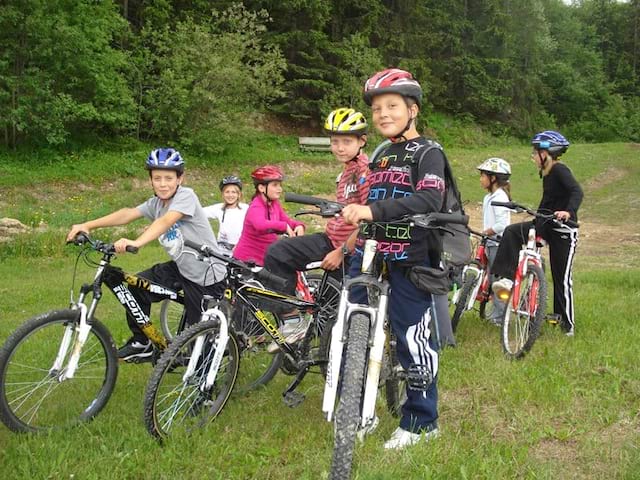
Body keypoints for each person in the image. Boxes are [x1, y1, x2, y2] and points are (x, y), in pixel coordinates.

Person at [341, 68, 449, 450]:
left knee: (412, 338)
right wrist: (356, 226)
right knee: (356, 327)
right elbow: (370, 200)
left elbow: (430, 200)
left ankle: (422, 421)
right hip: (371, 252)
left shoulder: (429, 152)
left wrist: (372, 213)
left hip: (411, 256)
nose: (383, 114)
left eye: (392, 106)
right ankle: (360, 408)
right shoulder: (381, 152)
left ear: (413, 109)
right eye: (376, 108)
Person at [66, 148, 226, 362]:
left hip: (206, 274)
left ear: (180, 179)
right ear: (150, 180)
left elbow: (166, 221)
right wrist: (88, 225)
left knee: (200, 341)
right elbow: (128, 213)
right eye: (157, 178)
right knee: (136, 287)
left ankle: (206, 387)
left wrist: (137, 242)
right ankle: (142, 343)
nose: (163, 183)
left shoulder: (186, 196)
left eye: (169, 178)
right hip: (181, 268)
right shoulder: (156, 203)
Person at [263, 108, 370, 345]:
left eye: (346, 141)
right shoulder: (346, 172)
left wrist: (341, 252)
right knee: (278, 253)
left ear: (362, 141)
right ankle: (291, 319)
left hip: (350, 251)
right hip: (330, 240)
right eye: (335, 141)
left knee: (333, 317)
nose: (339, 147)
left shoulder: (366, 172)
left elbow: (368, 222)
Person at [492, 130, 582, 336]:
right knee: (513, 232)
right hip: (546, 225)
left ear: (547, 153)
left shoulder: (560, 170)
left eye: (535, 153)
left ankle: (566, 325)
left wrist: (568, 212)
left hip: (563, 231)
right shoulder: (548, 174)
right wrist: (535, 218)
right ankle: (506, 278)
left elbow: (577, 192)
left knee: (562, 278)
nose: (533, 157)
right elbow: (548, 202)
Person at [233, 165, 305, 266]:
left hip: (266, 258)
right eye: (275, 185)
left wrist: (298, 225)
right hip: (248, 262)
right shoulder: (256, 206)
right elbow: (260, 224)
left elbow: (285, 220)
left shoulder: (274, 203)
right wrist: (284, 226)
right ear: (262, 188)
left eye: (280, 185)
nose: (280, 189)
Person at [476, 157, 512, 325]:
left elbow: (502, 224)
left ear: (493, 178)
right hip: (490, 243)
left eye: (483, 175)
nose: (480, 179)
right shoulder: (489, 197)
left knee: (497, 281)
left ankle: (499, 318)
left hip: (498, 243)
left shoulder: (500, 197)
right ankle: (496, 313)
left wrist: (486, 231)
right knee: (491, 279)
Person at [203, 175, 248, 256]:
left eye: (233, 192)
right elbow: (200, 212)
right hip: (222, 250)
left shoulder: (246, 209)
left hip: (240, 249)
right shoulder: (219, 208)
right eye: (227, 192)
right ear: (222, 194)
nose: (230, 195)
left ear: (239, 194)